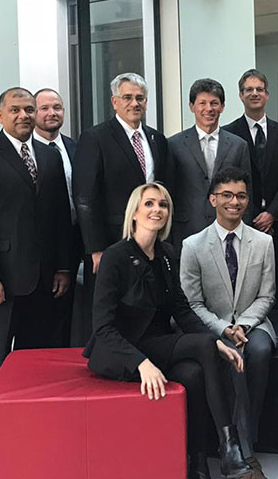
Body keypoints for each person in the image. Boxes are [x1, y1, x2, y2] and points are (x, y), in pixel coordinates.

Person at [83, 182, 249, 479]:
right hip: (123, 350)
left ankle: (199, 470)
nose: (157, 210)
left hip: (159, 343)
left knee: (194, 375)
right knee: (204, 351)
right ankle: (229, 447)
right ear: (135, 213)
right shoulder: (115, 256)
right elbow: (102, 327)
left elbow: (182, 311)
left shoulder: (168, 255)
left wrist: (217, 341)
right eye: (149, 204)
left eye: (163, 205)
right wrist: (141, 364)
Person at [0, 87, 74, 411]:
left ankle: (30, 408)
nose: (23, 115)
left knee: (35, 351)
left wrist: (64, 267)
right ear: (0, 115)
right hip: (2, 279)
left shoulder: (50, 155)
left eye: (29, 109)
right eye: (15, 110)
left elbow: (59, 218)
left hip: (44, 276)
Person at [179, 167, 278, 479]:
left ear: (247, 201)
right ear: (213, 199)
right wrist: (224, 329)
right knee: (231, 358)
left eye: (240, 196)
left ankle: (245, 443)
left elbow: (267, 295)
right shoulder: (192, 246)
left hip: (254, 324)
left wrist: (245, 325)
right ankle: (243, 457)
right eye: (227, 195)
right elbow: (191, 302)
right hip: (214, 326)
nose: (234, 202)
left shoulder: (264, 242)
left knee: (261, 350)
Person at [73, 72, 172, 342]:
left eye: (140, 98)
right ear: (114, 102)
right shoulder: (95, 138)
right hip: (111, 242)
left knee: (145, 311)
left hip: (149, 242)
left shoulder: (156, 140)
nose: (134, 103)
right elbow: (85, 197)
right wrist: (96, 248)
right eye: (127, 97)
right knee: (111, 314)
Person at [225, 69, 278, 274]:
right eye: (248, 89)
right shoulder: (229, 134)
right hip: (243, 218)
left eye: (260, 89)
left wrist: (272, 213)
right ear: (241, 95)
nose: (254, 93)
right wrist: (253, 213)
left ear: (267, 95)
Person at [168, 78, 252, 244]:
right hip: (186, 230)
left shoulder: (238, 145)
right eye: (202, 103)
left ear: (222, 107)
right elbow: (170, 192)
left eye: (214, 103)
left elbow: (247, 192)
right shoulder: (173, 145)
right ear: (192, 107)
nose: (209, 109)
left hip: (228, 229)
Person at [33, 87, 80, 346]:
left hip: (74, 240)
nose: (52, 113)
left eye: (57, 108)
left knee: (66, 318)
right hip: (40, 248)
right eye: (44, 108)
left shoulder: (77, 146)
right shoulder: (26, 153)